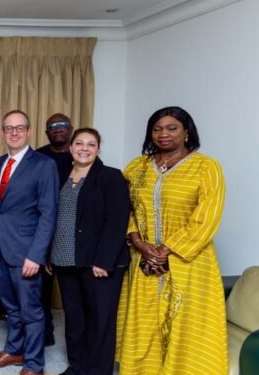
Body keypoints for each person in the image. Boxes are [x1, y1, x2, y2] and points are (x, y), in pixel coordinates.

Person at [116, 106, 227, 374]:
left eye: (171, 128)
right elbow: (125, 208)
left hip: (189, 263)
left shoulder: (206, 167)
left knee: (187, 323)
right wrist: (139, 243)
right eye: (157, 129)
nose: (163, 134)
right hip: (143, 261)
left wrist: (167, 250)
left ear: (187, 131)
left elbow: (207, 217)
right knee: (144, 322)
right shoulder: (137, 167)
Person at [47, 128, 130, 375]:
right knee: (74, 319)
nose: (84, 148)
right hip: (64, 260)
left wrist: (103, 261)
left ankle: (97, 371)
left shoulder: (110, 177)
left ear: (98, 150)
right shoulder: (60, 175)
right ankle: (77, 367)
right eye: (79, 143)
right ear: (71, 148)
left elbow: (117, 221)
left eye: (91, 144)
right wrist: (50, 254)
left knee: (99, 321)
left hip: (97, 262)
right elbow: (53, 217)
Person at [0, 110, 58, 375]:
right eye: (8, 128)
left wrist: (37, 255)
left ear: (28, 131)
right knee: (11, 308)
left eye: (19, 128)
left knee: (32, 312)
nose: (14, 133)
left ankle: (34, 364)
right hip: (3, 249)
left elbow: (49, 213)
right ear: (2, 133)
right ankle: (14, 351)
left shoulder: (43, 164)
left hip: (27, 252)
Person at [35, 113, 74, 346]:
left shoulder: (80, 155)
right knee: (41, 292)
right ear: (46, 132)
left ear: (70, 129)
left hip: (73, 235)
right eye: (52, 126)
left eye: (62, 125)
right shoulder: (38, 157)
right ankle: (44, 334)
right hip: (44, 232)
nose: (58, 129)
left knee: (73, 292)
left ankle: (77, 339)